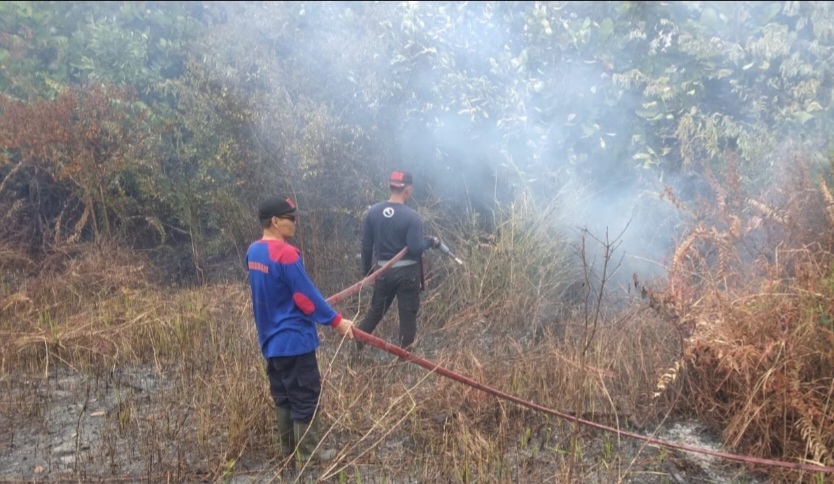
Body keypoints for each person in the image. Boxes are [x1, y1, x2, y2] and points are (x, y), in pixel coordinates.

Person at [245, 194, 354, 463]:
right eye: (291, 219)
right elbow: (305, 297)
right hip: (294, 340)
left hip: (270, 341)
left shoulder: (253, 251)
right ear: (274, 221)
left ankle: (289, 451)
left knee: (283, 395)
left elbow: (278, 290)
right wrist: (337, 321)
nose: (295, 223)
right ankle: (309, 456)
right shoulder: (286, 254)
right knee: (305, 396)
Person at [354, 170, 440, 355]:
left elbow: (366, 246)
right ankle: (404, 361)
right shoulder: (412, 217)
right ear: (408, 189)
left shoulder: (373, 212)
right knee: (407, 317)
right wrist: (431, 242)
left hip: (383, 272)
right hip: (407, 274)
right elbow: (416, 248)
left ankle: (355, 349)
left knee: (375, 312)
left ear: (389, 186)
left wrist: (368, 272)